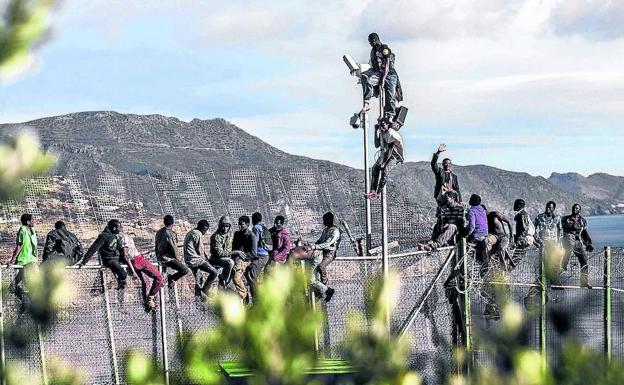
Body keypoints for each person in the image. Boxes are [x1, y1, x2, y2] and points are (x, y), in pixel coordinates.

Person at [360, 32, 403, 120]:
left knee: (390, 96)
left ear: (374, 40)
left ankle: (390, 115)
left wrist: (383, 79)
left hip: (389, 75)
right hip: (378, 73)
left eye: (370, 42)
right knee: (365, 77)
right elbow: (373, 65)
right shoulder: (373, 51)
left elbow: (387, 65)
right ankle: (366, 103)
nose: (370, 44)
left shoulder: (384, 48)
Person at [76, 219, 127, 289]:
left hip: (116, 258)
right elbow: (93, 248)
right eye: (118, 228)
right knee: (123, 274)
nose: (119, 230)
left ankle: (119, 282)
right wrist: (84, 261)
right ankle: (120, 282)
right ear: (114, 228)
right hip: (109, 260)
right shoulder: (104, 236)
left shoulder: (115, 236)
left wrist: (125, 258)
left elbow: (119, 248)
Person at [120, 231, 163, 310]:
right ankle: (150, 297)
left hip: (136, 260)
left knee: (145, 282)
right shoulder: (124, 238)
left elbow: (128, 253)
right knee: (159, 277)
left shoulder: (122, 237)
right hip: (138, 260)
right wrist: (133, 271)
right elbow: (126, 255)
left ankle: (146, 302)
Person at [183, 220, 221, 300]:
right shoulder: (198, 233)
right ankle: (206, 290)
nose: (205, 233)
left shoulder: (191, 232)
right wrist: (208, 263)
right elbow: (200, 251)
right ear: (204, 229)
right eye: (205, 231)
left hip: (188, 259)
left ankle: (198, 299)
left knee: (199, 279)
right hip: (195, 259)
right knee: (214, 272)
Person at [308, 212, 339, 302]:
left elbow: (327, 243)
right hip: (322, 251)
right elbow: (320, 241)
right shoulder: (326, 230)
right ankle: (321, 290)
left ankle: (324, 285)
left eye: (324, 220)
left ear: (329, 220)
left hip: (330, 252)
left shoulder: (334, 231)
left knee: (321, 266)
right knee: (313, 271)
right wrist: (312, 244)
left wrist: (316, 247)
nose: (323, 222)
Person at [367, 125, 404, 199]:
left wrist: (384, 163)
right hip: (385, 154)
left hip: (395, 155)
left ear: (387, 125)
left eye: (383, 125)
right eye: (381, 125)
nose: (382, 127)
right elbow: (377, 145)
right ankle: (373, 191)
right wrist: (375, 131)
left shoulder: (391, 133)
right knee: (375, 168)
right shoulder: (382, 133)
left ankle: (378, 193)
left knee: (385, 170)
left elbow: (390, 150)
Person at [561, 204, 594, 288]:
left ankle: (584, 282)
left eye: (576, 208)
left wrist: (588, 244)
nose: (574, 209)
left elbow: (584, 233)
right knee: (570, 246)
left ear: (579, 210)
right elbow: (562, 230)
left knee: (584, 260)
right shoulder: (565, 219)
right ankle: (563, 266)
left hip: (577, 241)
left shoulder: (582, 221)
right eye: (573, 208)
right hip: (567, 240)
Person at [155, 215, 191, 288]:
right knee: (185, 270)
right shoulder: (170, 233)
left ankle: (160, 287)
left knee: (161, 277)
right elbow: (174, 247)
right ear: (173, 223)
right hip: (168, 258)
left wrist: (158, 257)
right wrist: (177, 259)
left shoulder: (159, 232)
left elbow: (156, 246)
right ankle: (172, 278)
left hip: (161, 258)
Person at [11, 214, 38, 305]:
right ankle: (29, 300)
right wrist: (12, 259)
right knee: (33, 279)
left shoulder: (32, 230)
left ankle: (25, 299)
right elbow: (19, 245)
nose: (34, 221)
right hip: (25, 259)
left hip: (31, 259)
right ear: (28, 222)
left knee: (23, 279)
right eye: (32, 220)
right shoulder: (22, 230)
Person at [231, 215, 257, 304]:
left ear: (247, 224)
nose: (240, 226)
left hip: (244, 260)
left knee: (236, 278)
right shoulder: (237, 234)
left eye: (242, 224)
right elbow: (233, 247)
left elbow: (253, 253)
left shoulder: (252, 236)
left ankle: (244, 294)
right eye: (239, 224)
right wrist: (235, 254)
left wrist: (243, 257)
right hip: (234, 257)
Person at [247, 212, 270, 299]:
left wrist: (252, 254)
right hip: (265, 255)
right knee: (252, 274)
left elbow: (255, 242)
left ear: (253, 220)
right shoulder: (263, 227)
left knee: (251, 275)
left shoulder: (256, 228)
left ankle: (257, 299)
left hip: (261, 255)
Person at [209, 215, 235, 288]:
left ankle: (226, 283)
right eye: (223, 226)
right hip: (216, 259)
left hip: (227, 257)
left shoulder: (230, 235)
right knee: (230, 262)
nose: (225, 228)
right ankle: (223, 279)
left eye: (227, 226)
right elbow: (219, 253)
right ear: (220, 226)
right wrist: (233, 253)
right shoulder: (216, 236)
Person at [466, 194, 488, 269]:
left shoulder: (472, 211)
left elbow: (472, 227)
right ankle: (482, 261)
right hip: (485, 234)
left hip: (477, 235)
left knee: (464, 246)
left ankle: (479, 261)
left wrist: (467, 235)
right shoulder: (482, 209)